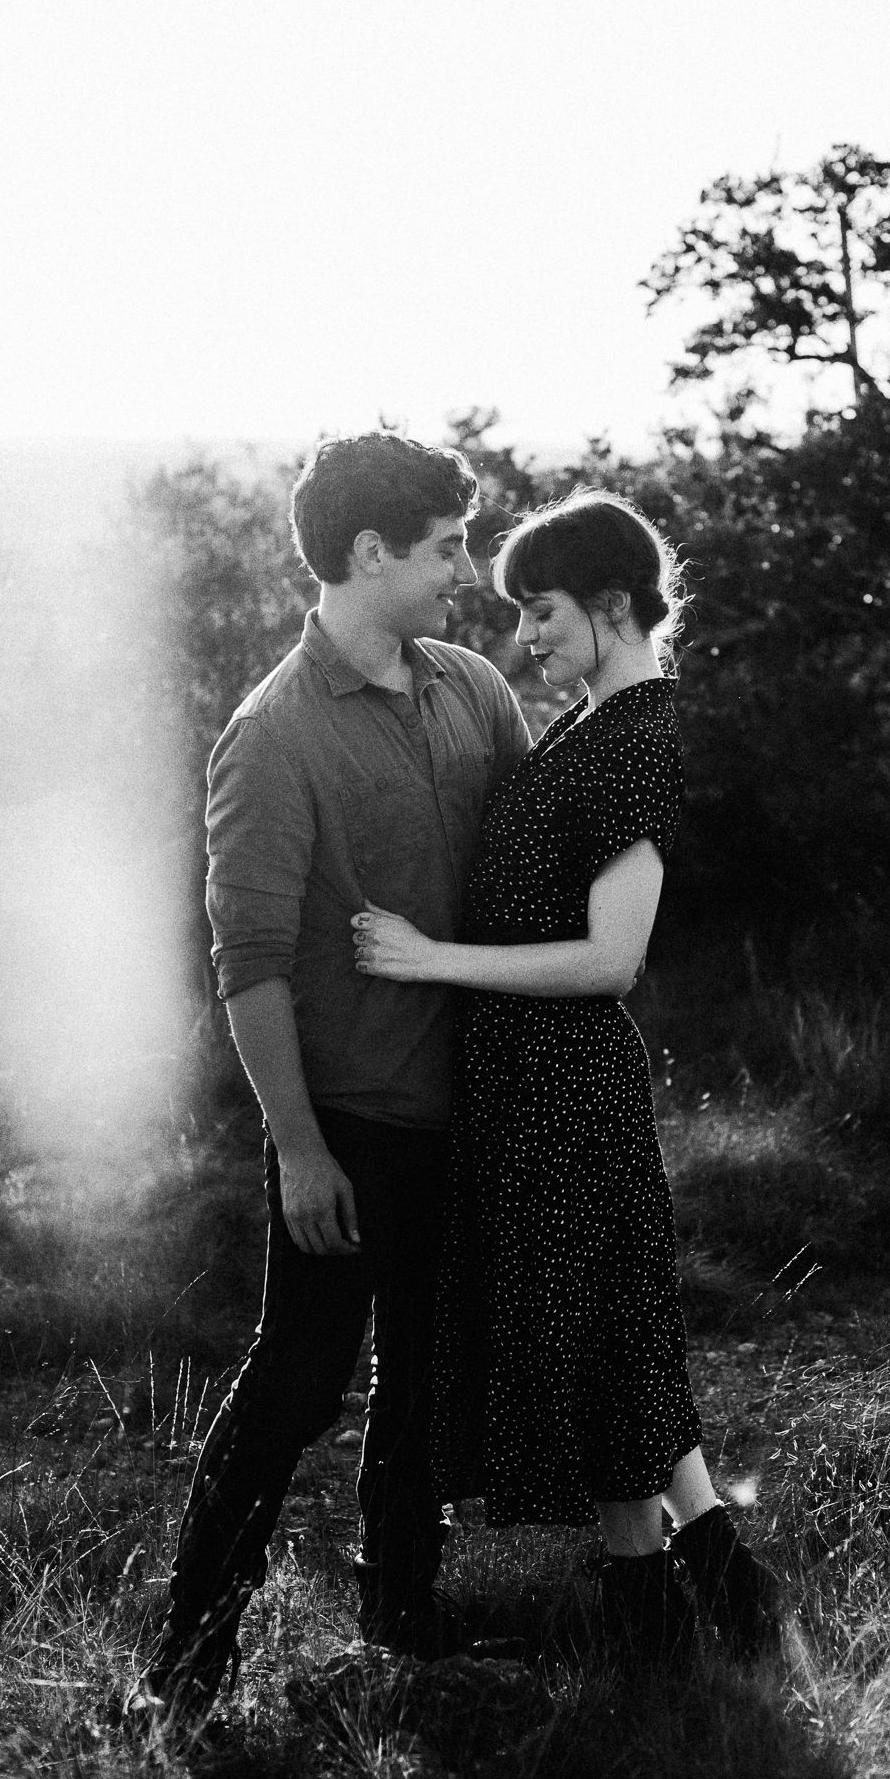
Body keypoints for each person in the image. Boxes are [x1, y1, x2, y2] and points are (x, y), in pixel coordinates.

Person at [130, 432, 530, 1730]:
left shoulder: (472, 687)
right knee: (297, 1386)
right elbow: (246, 963)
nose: (462, 572)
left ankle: (402, 1622)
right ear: (369, 551)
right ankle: (186, 1660)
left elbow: (531, 863)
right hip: (346, 1126)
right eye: (446, 548)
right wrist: (299, 1148)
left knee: (426, 1380)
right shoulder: (272, 734)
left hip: (468, 1111)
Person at [352, 489, 782, 1663]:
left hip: (565, 1091)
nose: (525, 635)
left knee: (599, 1348)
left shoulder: (635, 738)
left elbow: (609, 959)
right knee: (612, 1344)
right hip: (523, 1087)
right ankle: (713, 1601)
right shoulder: (590, 724)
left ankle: (661, 1633)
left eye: (539, 610)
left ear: (609, 602)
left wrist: (430, 959)